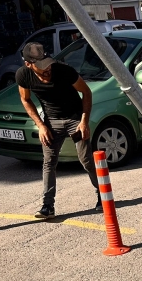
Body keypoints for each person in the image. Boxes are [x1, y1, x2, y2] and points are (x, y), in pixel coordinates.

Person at [16, 42, 100, 220]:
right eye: (41, 68)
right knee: (49, 162)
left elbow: (86, 92)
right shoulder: (23, 75)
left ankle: (103, 195)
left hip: (75, 119)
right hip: (51, 122)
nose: (47, 70)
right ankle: (48, 206)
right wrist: (41, 125)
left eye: (47, 65)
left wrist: (84, 121)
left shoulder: (64, 71)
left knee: (86, 160)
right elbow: (25, 99)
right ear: (28, 64)